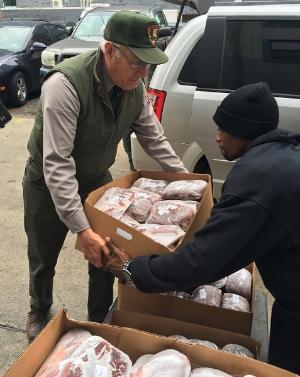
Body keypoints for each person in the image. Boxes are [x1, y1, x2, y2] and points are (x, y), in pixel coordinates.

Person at [103, 82, 300, 374]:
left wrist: (133, 269)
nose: (217, 137)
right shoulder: (284, 156)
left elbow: (202, 261)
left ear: (244, 132)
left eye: (224, 129)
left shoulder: (259, 179)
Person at [23, 10, 187, 343]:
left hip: (96, 178)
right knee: (44, 254)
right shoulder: (65, 85)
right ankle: (39, 308)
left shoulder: (134, 86)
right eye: (136, 62)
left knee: (107, 252)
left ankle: (99, 317)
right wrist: (81, 228)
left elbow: (154, 138)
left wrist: (188, 182)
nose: (142, 73)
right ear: (109, 50)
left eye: (147, 65)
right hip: (46, 182)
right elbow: (57, 162)